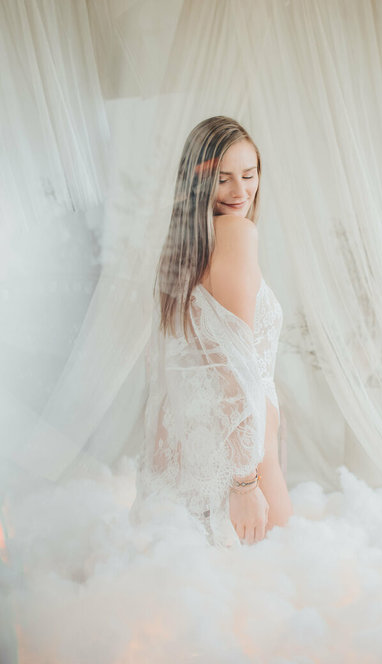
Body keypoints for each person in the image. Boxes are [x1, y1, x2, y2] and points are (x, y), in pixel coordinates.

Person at [130, 116, 293, 548]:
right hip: (244, 453)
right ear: (198, 182)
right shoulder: (236, 234)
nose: (240, 191)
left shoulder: (184, 248)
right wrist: (244, 482)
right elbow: (234, 366)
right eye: (223, 179)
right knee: (278, 569)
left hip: (204, 448)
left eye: (249, 174)